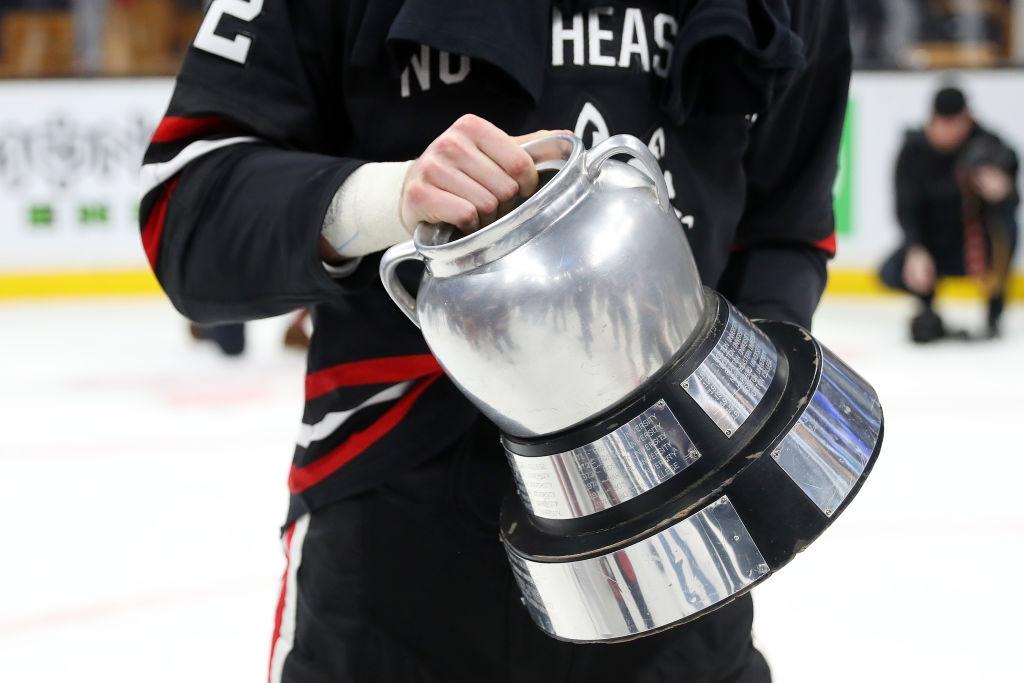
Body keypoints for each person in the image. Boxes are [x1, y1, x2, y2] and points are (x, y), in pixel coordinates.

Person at [139, 1, 851, 680]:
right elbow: (189, 205)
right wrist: (395, 198)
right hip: (397, 528)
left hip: (679, 539)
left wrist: (728, 434)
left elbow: (788, 226)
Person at [880, 86, 1019, 342]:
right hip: (934, 244)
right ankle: (927, 307)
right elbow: (906, 208)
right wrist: (915, 247)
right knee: (891, 271)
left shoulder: (986, 145)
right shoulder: (913, 151)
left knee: (1006, 226)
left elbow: (1010, 174)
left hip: (975, 248)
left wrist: (1002, 189)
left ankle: (994, 310)